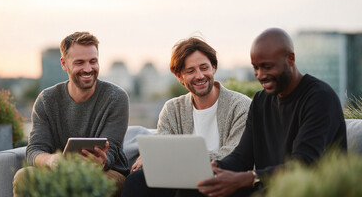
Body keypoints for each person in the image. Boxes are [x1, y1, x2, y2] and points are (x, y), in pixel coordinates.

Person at [194, 28, 347, 197]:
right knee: (197, 190)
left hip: (308, 191)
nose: (260, 75)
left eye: (267, 67)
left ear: (290, 59)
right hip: (267, 190)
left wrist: (249, 177)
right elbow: (242, 156)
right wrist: (215, 169)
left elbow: (303, 165)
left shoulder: (319, 98)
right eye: (256, 68)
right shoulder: (261, 101)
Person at [121, 37, 252, 197]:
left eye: (204, 68)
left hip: (223, 179)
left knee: (190, 190)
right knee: (136, 181)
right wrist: (150, 157)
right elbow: (162, 151)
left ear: (214, 68)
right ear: (179, 76)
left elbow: (235, 156)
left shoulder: (240, 106)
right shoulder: (172, 108)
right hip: (178, 177)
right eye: (190, 71)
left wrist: (183, 160)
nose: (199, 76)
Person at [13, 32, 129, 197]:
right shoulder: (47, 100)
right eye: (80, 62)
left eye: (93, 61)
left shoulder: (116, 97)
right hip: (59, 171)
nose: (88, 69)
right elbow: (34, 150)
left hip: (106, 172)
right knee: (23, 177)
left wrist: (102, 160)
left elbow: (112, 151)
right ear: (64, 63)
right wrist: (52, 160)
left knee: (86, 181)